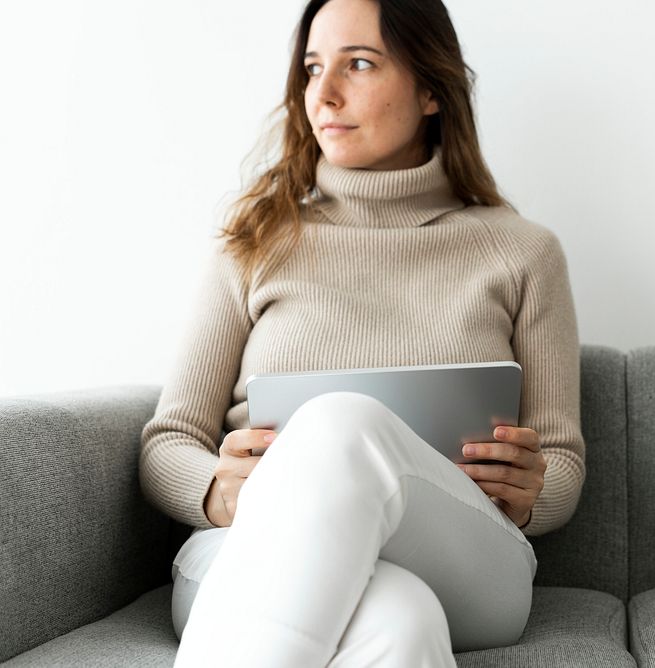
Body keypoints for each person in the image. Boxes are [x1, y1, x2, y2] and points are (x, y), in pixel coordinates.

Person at [138, 0, 585, 665]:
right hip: (252, 546)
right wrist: (216, 489)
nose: (325, 93)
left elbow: (564, 461)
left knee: (341, 424)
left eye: (360, 64)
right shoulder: (253, 246)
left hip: (466, 560)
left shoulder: (522, 252)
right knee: (399, 622)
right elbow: (168, 441)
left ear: (432, 89)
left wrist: (532, 492)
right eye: (313, 68)